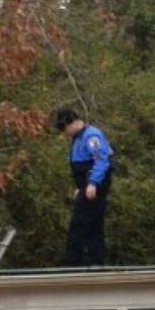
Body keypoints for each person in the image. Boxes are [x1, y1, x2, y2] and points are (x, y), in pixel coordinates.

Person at [54, 107, 113, 266]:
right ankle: (96, 261)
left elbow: (101, 160)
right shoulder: (78, 138)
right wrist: (81, 187)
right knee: (94, 225)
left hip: (95, 184)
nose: (65, 133)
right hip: (86, 185)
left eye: (64, 128)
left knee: (78, 224)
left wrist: (92, 184)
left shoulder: (91, 136)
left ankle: (73, 263)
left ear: (70, 123)